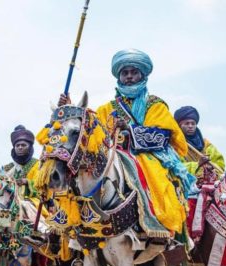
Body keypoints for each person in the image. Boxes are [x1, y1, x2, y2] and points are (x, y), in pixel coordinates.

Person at [59, 49, 195, 240]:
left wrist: (130, 130)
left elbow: (162, 136)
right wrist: (70, 108)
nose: (129, 76)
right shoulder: (107, 108)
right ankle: (78, 234)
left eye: (134, 72)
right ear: (119, 77)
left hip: (146, 156)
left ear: (142, 75)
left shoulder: (155, 105)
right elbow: (91, 131)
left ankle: (165, 234)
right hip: (113, 156)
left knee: (157, 179)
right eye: (125, 73)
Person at [1, 125, 47, 266]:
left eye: (23, 145)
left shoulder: (38, 164)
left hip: (32, 201)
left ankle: (41, 258)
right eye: (17, 145)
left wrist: (27, 182)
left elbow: (43, 185)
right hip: (9, 203)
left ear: (30, 147)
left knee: (39, 224)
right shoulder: (6, 168)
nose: (20, 148)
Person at [174, 106, 225, 177]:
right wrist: (197, 165)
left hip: (210, 184)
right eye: (187, 123)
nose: (190, 126)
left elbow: (220, 165)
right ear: (179, 126)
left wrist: (211, 168)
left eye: (193, 123)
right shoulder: (175, 145)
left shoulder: (206, 144)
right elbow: (175, 167)